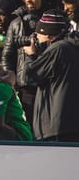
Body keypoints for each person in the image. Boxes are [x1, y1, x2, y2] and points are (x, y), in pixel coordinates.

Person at [2, 0, 55, 125]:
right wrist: (11, 80)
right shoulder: (16, 23)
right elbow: (7, 55)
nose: (29, 0)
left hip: (47, 84)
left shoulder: (54, 20)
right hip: (24, 87)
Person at [23, 12, 79, 141]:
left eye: (37, 34)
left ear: (47, 34)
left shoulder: (57, 49)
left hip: (56, 126)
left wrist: (31, 56)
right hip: (69, 123)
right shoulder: (71, 47)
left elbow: (30, 77)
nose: (36, 38)